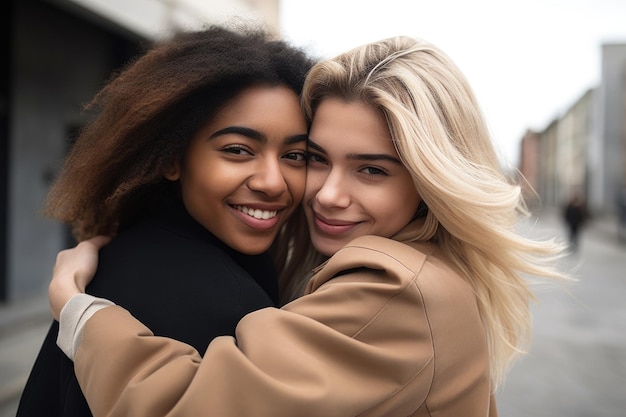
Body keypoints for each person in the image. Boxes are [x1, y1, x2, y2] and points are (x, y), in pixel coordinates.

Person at [48, 35, 570, 417]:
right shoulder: (415, 271)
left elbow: (181, 406)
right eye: (316, 158)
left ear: (430, 180)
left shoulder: (397, 289)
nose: (327, 193)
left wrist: (78, 309)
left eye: (371, 169)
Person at [16, 25, 316, 417]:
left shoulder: (127, 249)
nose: (273, 183)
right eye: (238, 150)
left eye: (295, 156)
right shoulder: (229, 307)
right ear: (173, 158)